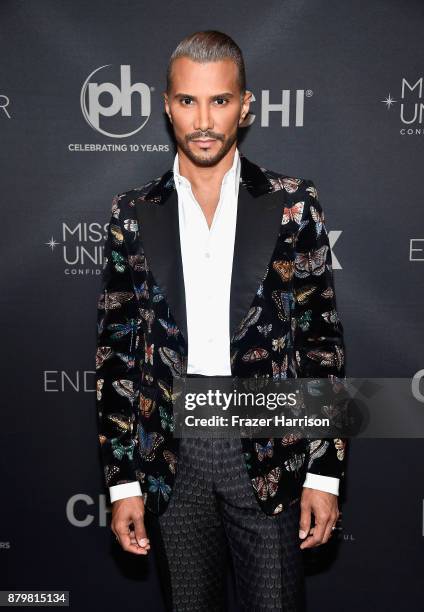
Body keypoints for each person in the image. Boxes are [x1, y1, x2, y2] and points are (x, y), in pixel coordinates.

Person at [95, 30, 347, 612]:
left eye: (219, 100)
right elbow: (116, 355)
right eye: (188, 101)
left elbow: (321, 343)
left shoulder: (293, 203)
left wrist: (324, 472)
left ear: (246, 105)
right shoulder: (131, 213)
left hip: (266, 441)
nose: (203, 119)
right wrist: (124, 481)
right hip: (170, 448)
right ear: (165, 105)